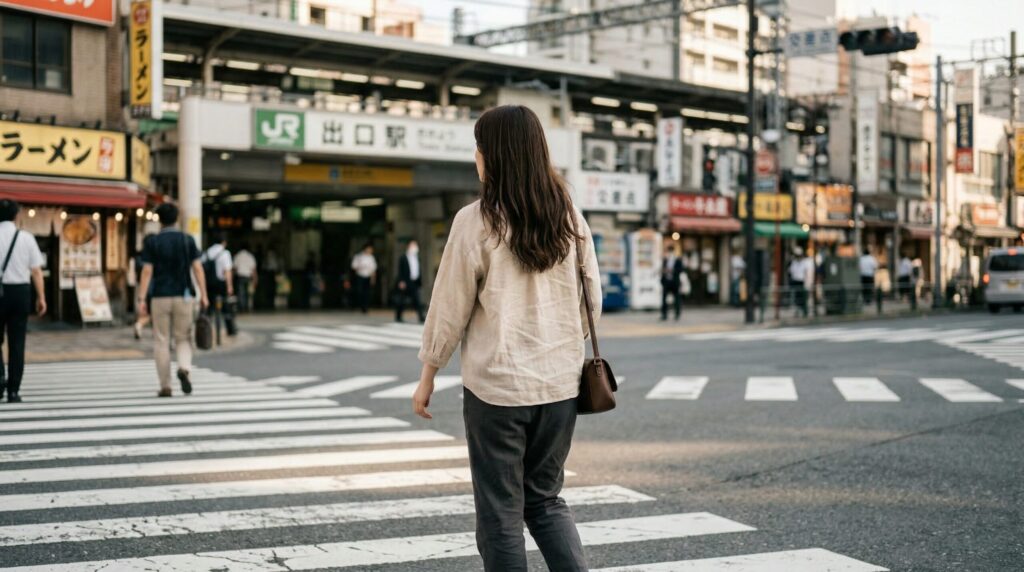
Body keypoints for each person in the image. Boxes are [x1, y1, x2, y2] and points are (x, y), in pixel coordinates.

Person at [413, 105, 601, 571]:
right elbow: (590, 300)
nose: (475, 156)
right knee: (545, 499)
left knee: (500, 512)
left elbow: (448, 307)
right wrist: (558, 345)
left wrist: (428, 373)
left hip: (497, 389)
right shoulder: (570, 219)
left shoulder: (476, 221)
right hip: (560, 387)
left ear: (493, 156)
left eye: (479, 147)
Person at [137, 203, 209, 398]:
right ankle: (184, 368)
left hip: (159, 296)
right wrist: (204, 294)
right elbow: (198, 268)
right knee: (183, 337)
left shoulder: (153, 242)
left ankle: (165, 386)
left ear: (160, 220)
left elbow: (146, 271)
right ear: (177, 218)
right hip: (184, 295)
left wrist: (142, 298)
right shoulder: (187, 240)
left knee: (161, 340)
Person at [0, 200, 46, 403]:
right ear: (16, 216)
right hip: (20, 292)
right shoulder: (26, 238)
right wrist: (41, 297)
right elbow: (36, 270)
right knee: (17, 342)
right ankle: (13, 390)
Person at [394, 239, 425, 323]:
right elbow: (400, 270)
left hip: (414, 282)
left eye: (415, 245)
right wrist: (401, 281)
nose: (415, 247)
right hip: (405, 282)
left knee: (417, 300)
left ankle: (421, 316)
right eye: (413, 245)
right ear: (408, 246)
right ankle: (398, 316)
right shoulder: (403, 257)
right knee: (401, 300)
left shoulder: (417, 257)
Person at [660, 243, 685, 321]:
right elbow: (662, 269)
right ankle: (664, 315)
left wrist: (672, 270)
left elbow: (681, 270)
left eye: (670, 251)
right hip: (667, 281)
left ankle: (677, 314)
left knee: (677, 299)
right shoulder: (665, 260)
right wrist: (663, 272)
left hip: (675, 282)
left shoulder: (678, 260)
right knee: (664, 299)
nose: (669, 253)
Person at [351, 244, 377, 313]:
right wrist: (360, 267)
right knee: (360, 291)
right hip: (360, 276)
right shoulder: (359, 256)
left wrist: (373, 279)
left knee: (367, 293)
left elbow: (373, 269)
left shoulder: (371, 257)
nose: (370, 251)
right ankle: (360, 305)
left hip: (368, 276)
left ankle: (365, 307)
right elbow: (354, 266)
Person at [788, 247, 813, 317]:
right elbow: (791, 271)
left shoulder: (805, 262)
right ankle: (797, 311)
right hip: (795, 281)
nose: (797, 257)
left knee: (803, 298)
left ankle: (805, 311)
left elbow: (807, 273)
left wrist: (808, 283)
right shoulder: (793, 262)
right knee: (796, 298)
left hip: (802, 282)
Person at [233, 244, 257, 313]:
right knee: (247, 293)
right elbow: (253, 270)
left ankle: (242, 308)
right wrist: (255, 279)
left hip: (240, 277)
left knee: (241, 293)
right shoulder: (250, 256)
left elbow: (234, 268)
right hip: (248, 277)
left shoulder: (237, 256)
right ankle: (246, 307)